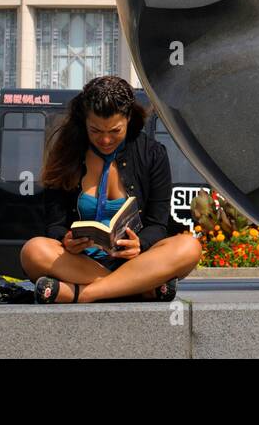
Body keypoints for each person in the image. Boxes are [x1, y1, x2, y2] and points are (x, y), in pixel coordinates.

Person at [20, 74, 202, 304]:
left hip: (137, 261)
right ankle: (138, 288)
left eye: (115, 131)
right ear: (84, 122)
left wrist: (140, 244)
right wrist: (66, 240)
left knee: (189, 247)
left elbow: (158, 224)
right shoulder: (67, 154)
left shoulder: (152, 154)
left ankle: (83, 294)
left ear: (128, 118)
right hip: (80, 263)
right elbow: (54, 224)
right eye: (95, 131)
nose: (105, 140)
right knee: (33, 251)